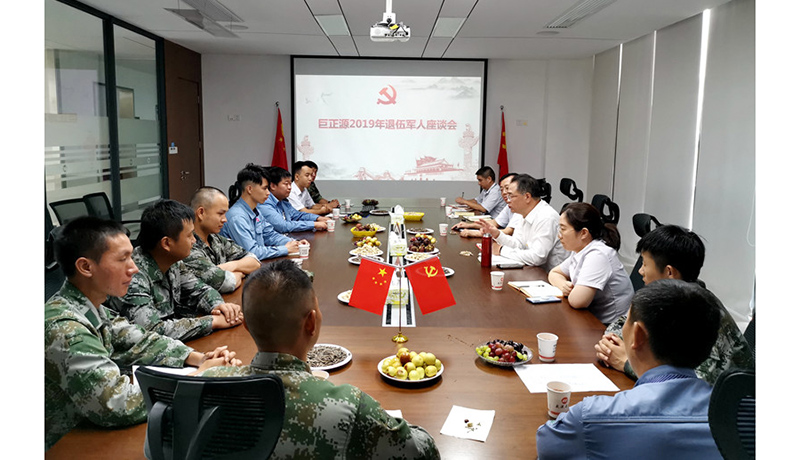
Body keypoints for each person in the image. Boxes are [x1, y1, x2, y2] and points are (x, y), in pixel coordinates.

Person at [201, 260, 440, 459]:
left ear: (246, 325)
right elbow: (424, 452)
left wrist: (203, 370)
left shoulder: (207, 384)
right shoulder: (348, 405)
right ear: (311, 323)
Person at [45, 216, 241, 450]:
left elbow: (138, 339)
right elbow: (117, 403)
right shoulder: (65, 328)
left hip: (90, 434)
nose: (134, 268)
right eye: (122, 259)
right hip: (65, 445)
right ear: (86, 267)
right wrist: (199, 376)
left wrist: (199, 358)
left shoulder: (91, 306)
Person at [536, 280, 724, 460]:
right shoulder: (735, 417)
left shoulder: (592, 417)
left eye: (626, 320)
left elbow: (547, 445)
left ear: (638, 334)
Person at [595, 224, 753, 384]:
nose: (640, 271)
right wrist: (612, 344)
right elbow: (623, 324)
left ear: (669, 272)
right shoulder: (665, 300)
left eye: (645, 264)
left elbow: (694, 384)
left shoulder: (699, 314)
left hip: (735, 396)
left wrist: (627, 364)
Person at [109, 199, 243, 342]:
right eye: (189, 235)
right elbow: (151, 330)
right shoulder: (133, 275)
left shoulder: (173, 262)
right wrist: (212, 321)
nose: (194, 241)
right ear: (167, 243)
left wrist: (219, 307)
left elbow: (200, 290)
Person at [548, 202, 633, 324]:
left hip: (613, 326)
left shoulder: (598, 255)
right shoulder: (580, 249)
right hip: (591, 318)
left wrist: (570, 291)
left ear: (584, 233)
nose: (559, 235)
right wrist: (563, 286)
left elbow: (578, 301)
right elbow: (554, 273)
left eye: (563, 229)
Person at [477, 174, 568, 271]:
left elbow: (537, 258)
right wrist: (497, 234)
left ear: (527, 197)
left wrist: (501, 250)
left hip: (550, 275)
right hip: (531, 270)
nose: (507, 200)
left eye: (511, 196)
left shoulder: (546, 217)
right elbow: (518, 244)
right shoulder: (523, 213)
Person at [184, 186, 261, 293]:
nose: (225, 219)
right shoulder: (188, 245)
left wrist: (231, 266)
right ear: (201, 213)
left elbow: (255, 262)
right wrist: (240, 273)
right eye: (220, 214)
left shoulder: (216, 239)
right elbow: (227, 283)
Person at [221, 163, 305, 259]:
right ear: (250, 189)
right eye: (264, 188)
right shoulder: (237, 217)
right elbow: (252, 252)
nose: (268, 193)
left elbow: (270, 235)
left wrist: (294, 243)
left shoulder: (255, 211)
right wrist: (285, 249)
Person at [259, 166, 330, 233]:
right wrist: (313, 224)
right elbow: (282, 226)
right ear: (273, 186)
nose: (290, 187)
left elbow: (298, 215)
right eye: (286, 184)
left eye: (290, 184)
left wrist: (318, 218)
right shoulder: (264, 203)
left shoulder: (283, 201)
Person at [453, 172, 522, 237]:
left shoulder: (521, 207)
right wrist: (468, 225)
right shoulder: (509, 205)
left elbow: (508, 232)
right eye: (501, 189)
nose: (504, 192)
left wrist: (476, 233)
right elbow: (494, 223)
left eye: (507, 188)